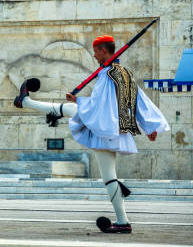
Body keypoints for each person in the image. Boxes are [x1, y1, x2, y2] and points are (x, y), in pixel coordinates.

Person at [13, 35, 169, 233]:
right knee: (72, 113)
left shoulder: (107, 74)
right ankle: (26, 102)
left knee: (109, 176)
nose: (94, 55)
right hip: (112, 128)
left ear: (103, 50)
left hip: (104, 128)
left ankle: (123, 222)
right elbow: (140, 101)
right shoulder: (124, 73)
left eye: (95, 51)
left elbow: (97, 104)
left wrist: (77, 100)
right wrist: (150, 128)